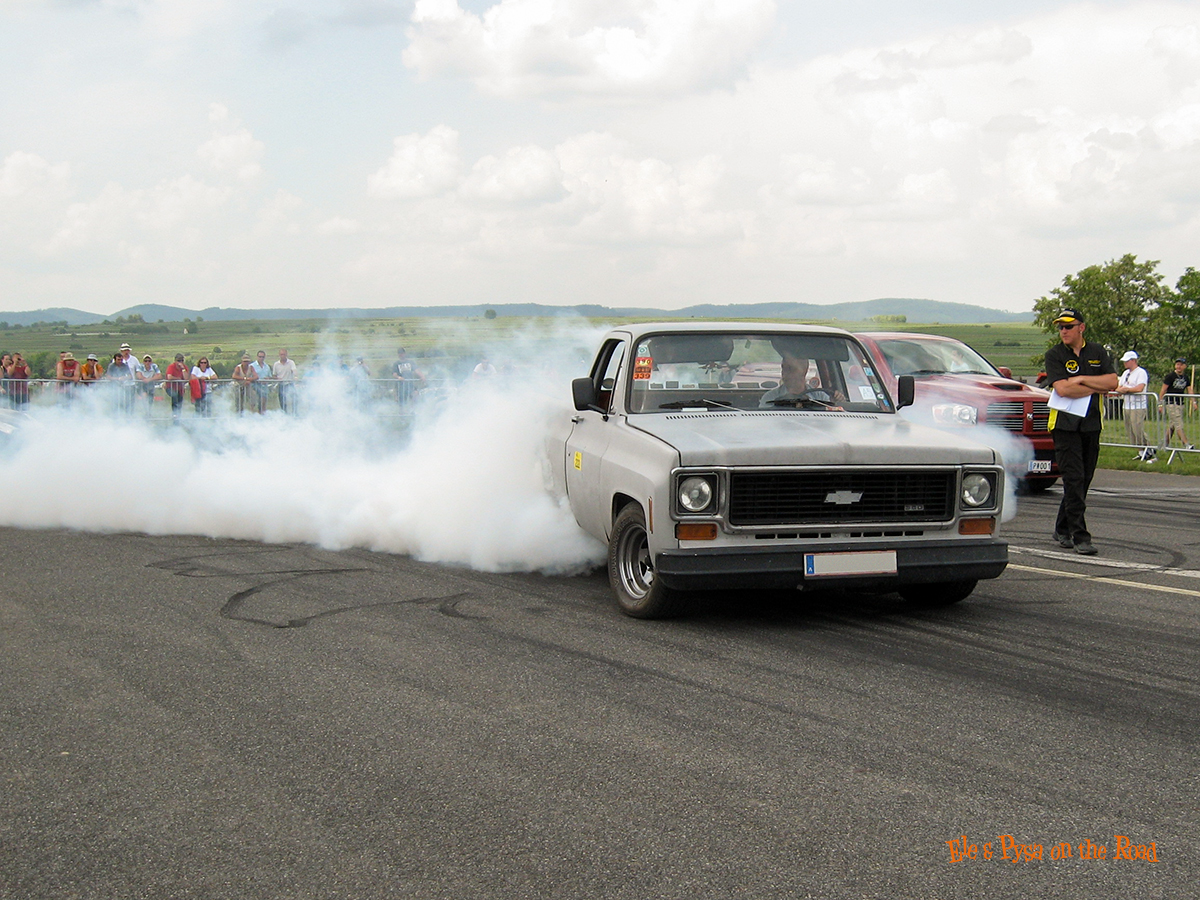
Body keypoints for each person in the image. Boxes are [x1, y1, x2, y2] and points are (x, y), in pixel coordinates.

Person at [1044, 307, 1117, 555]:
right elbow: (1063, 390)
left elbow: (1112, 382)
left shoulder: (1097, 351)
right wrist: (1094, 385)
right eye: (1060, 327)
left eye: (1068, 326)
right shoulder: (1054, 355)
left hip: (1091, 423)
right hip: (1064, 425)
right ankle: (1080, 535)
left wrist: (1081, 380)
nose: (1063, 331)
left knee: (1083, 480)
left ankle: (1062, 528)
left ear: (1081, 327)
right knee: (1073, 479)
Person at [1115, 350, 1153, 461]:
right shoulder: (1125, 373)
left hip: (1138, 406)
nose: (1125, 363)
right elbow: (1118, 387)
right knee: (1130, 430)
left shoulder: (1141, 372)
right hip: (1127, 405)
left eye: (1127, 361)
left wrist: (1127, 390)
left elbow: (1139, 388)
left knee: (1137, 428)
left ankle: (1148, 448)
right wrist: (1122, 390)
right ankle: (1141, 451)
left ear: (1133, 361)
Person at [760, 355, 839, 407]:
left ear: (804, 371)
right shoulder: (769, 398)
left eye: (790, 369)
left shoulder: (820, 397)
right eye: (783, 368)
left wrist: (838, 401)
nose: (784, 373)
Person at [1159, 358, 1195, 450]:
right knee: (1178, 424)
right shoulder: (1170, 376)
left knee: (1173, 424)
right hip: (1171, 403)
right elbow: (1163, 390)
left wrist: (1193, 401)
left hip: (1180, 403)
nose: (1179, 366)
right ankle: (1186, 444)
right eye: (1177, 364)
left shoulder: (1185, 377)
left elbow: (1189, 389)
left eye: (1181, 365)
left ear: (1185, 366)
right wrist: (1160, 404)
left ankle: (1165, 443)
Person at [164, 353, 189, 422]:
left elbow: (186, 378)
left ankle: (178, 417)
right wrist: (178, 378)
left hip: (180, 389)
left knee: (180, 401)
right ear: (175, 361)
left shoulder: (184, 367)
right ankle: (174, 414)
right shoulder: (171, 367)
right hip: (170, 387)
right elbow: (169, 377)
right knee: (174, 396)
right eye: (178, 361)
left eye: (181, 361)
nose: (180, 362)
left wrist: (183, 369)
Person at [272, 348, 298, 414]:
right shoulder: (276, 364)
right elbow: (274, 375)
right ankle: (284, 414)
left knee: (294, 398)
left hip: (289, 383)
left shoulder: (291, 362)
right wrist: (277, 379)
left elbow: (294, 370)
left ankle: (295, 413)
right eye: (281, 354)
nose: (282, 356)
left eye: (284, 354)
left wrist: (295, 376)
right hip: (281, 384)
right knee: (282, 401)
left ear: (286, 354)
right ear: (279, 355)